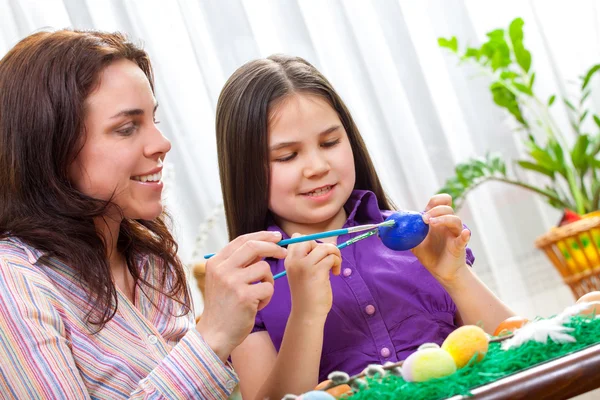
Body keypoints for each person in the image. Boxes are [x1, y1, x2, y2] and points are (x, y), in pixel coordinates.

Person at [0, 29, 286, 399]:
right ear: (50, 148)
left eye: (154, 120)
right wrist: (212, 336)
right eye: (126, 128)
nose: (162, 144)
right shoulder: (15, 282)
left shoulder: (150, 261)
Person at [215, 54, 515, 399]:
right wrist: (307, 314)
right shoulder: (249, 287)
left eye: (330, 143)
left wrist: (455, 275)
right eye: (287, 156)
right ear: (244, 170)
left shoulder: (419, 241)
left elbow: (519, 351)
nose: (316, 166)